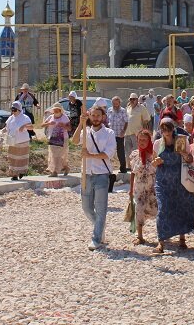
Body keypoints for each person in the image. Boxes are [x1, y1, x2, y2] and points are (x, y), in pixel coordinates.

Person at [74, 104, 116, 251]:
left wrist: (89, 155)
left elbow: (108, 154)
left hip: (101, 175)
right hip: (86, 173)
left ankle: (96, 238)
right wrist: (81, 123)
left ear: (103, 117)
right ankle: (100, 226)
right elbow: (74, 141)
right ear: (90, 116)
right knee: (86, 208)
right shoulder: (85, 131)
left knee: (101, 208)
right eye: (93, 115)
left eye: (98, 115)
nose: (96, 118)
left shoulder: (109, 133)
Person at [152, 118, 194, 253]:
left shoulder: (182, 141)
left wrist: (183, 153)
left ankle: (182, 238)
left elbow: (190, 159)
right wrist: (156, 162)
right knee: (163, 209)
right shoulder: (157, 144)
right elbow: (153, 162)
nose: (166, 132)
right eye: (163, 129)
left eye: (169, 128)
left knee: (181, 207)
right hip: (163, 181)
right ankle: (161, 241)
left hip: (179, 180)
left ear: (173, 128)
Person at [128, 129, 158, 245]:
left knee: (157, 211)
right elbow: (132, 173)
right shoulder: (135, 155)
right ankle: (140, 236)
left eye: (144, 140)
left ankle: (162, 234)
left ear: (149, 141)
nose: (142, 142)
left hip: (152, 187)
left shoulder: (154, 154)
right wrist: (130, 189)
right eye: (140, 139)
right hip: (139, 188)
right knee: (139, 210)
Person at [4, 101, 33, 180]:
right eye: (12, 110)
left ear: (19, 110)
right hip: (12, 141)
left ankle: (21, 172)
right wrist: (2, 132)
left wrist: (24, 126)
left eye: (15, 110)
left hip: (22, 141)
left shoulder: (25, 118)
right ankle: (14, 174)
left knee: (21, 158)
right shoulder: (11, 118)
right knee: (12, 157)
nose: (13, 112)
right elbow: (7, 127)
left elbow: (31, 127)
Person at [42, 103, 71, 176]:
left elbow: (69, 128)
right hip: (52, 139)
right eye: (54, 110)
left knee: (61, 155)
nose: (56, 111)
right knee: (54, 155)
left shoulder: (65, 118)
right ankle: (55, 171)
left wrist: (64, 125)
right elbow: (42, 125)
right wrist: (49, 123)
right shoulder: (50, 117)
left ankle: (65, 167)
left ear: (60, 110)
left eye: (57, 110)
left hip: (63, 139)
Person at [104, 96, 130, 173]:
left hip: (119, 135)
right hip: (110, 135)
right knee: (109, 151)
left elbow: (126, 122)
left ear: (119, 103)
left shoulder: (123, 110)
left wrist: (123, 131)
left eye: (117, 103)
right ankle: (107, 168)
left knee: (120, 152)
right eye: (114, 103)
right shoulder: (109, 110)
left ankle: (123, 169)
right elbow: (107, 121)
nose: (115, 105)